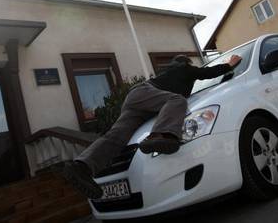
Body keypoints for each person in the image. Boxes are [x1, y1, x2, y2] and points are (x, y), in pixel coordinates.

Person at [64, 54, 242, 199]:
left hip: (137, 101)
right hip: (143, 93)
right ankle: (160, 136)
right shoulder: (184, 68)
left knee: (116, 136)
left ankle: (82, 167)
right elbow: (207, 73)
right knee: (176, 100)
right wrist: (229, 65)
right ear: (186, 63)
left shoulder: (167, 75)